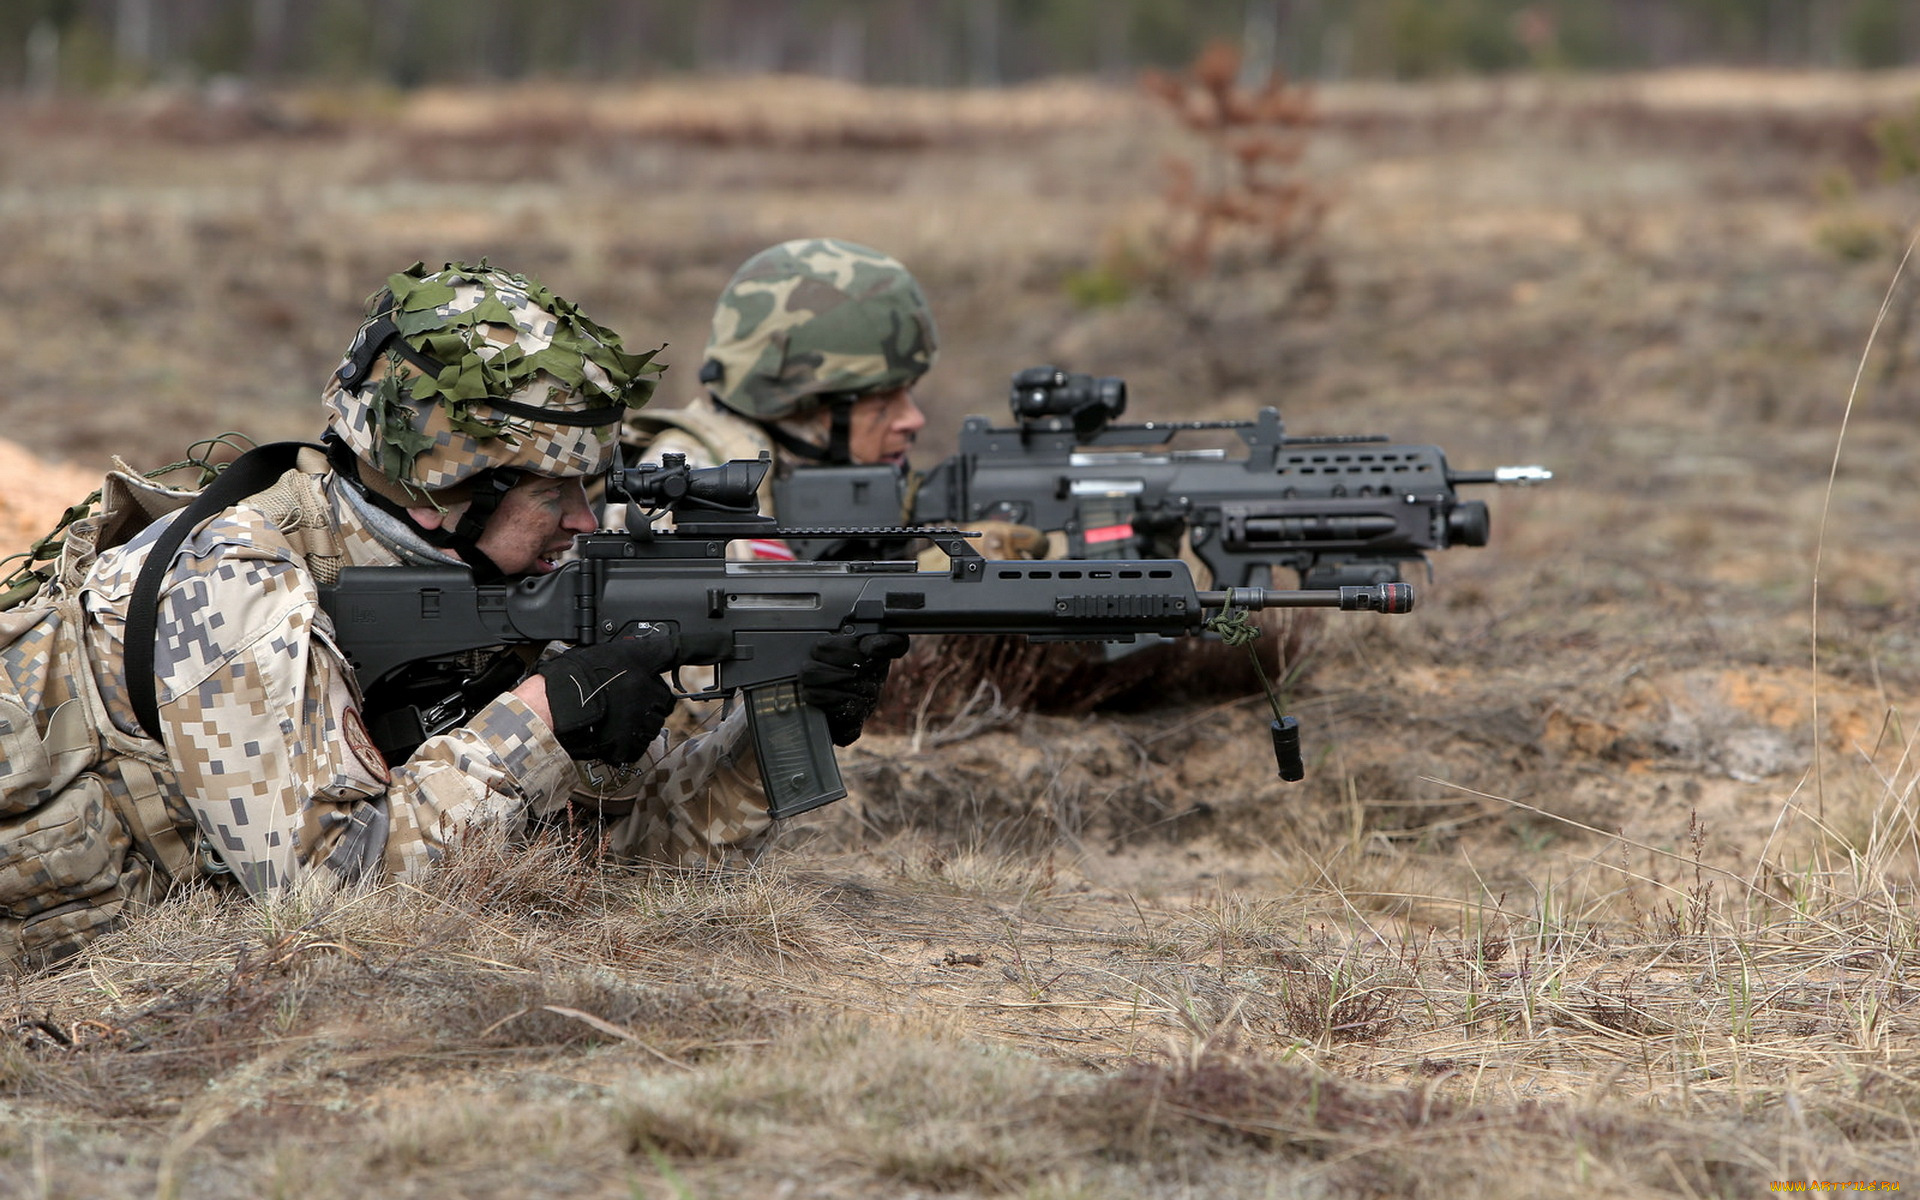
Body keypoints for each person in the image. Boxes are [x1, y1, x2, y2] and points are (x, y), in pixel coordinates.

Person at [2, 262, 904, 968]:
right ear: (445, 492)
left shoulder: (497, 588)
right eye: (555, 494)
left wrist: (769, 728)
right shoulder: (235, 584)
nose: (586, 523)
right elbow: (330, 907)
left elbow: (620, 875)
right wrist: (543, 721)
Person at [624, 236, 1043, 562]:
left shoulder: (821, 473)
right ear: (799, 406)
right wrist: (929, 586)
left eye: (908, 394)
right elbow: (719, 652)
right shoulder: (693, 487)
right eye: (881, 404)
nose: (913, 420)